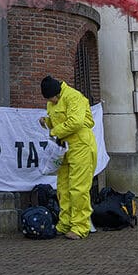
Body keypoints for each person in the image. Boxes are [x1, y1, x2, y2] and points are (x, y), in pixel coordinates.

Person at [37, 75, 97, 240]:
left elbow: (75, 122)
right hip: (64, 148)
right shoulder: (52, 101)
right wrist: (47, 122)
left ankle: (80, 227)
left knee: (78, 188)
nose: (52, 101)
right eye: (49, 99)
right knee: (63, 188)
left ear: (57, 91)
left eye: (53, 98)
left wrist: (54, 131)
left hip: (81, 146)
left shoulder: (73, 96)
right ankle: (65, 223)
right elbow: (58, 120)